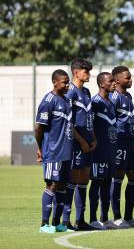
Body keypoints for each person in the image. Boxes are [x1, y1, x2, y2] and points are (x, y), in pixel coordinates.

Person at [110, 66, 134, 228]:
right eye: (127, 77)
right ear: (117, 80)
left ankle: (129, 217)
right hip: (119, 142)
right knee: (117, 177)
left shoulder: (128, 95)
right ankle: (117, 218)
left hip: (130, 142)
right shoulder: (114, 97)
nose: (130, 80)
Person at [35, 69, 73, 233]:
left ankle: (58, 224)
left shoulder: (66, 101)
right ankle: (44, 224)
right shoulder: (48, 101)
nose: (67, 85)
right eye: (64, 82)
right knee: (52, 184)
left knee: (63, 186)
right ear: (55, 82)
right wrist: (40, 147)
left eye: (68, 82)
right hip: (53, 150)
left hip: (66, 151)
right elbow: (38, 127)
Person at [63, 58, 97, 231]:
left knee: (84, 178)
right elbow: (68, 122)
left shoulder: (87, 92)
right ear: (76, 73)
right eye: (86, 71)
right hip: (75, 144)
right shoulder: (70, 92)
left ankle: (81, 220)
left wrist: (93, 137)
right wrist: (82, 140)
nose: (88, 74)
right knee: (73, 179)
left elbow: (88, 118)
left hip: (87, 143)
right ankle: (65, 221)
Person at [88, 72, 118, 230]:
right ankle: (93, 219)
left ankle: (105, 218)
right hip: (98, 151)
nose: (114, 83)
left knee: (107, 184)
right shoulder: (95, 102)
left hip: (111, 150)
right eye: (111, 81)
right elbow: (89, 124)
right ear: (102, 84)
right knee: (97, 183)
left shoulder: (111, 102)